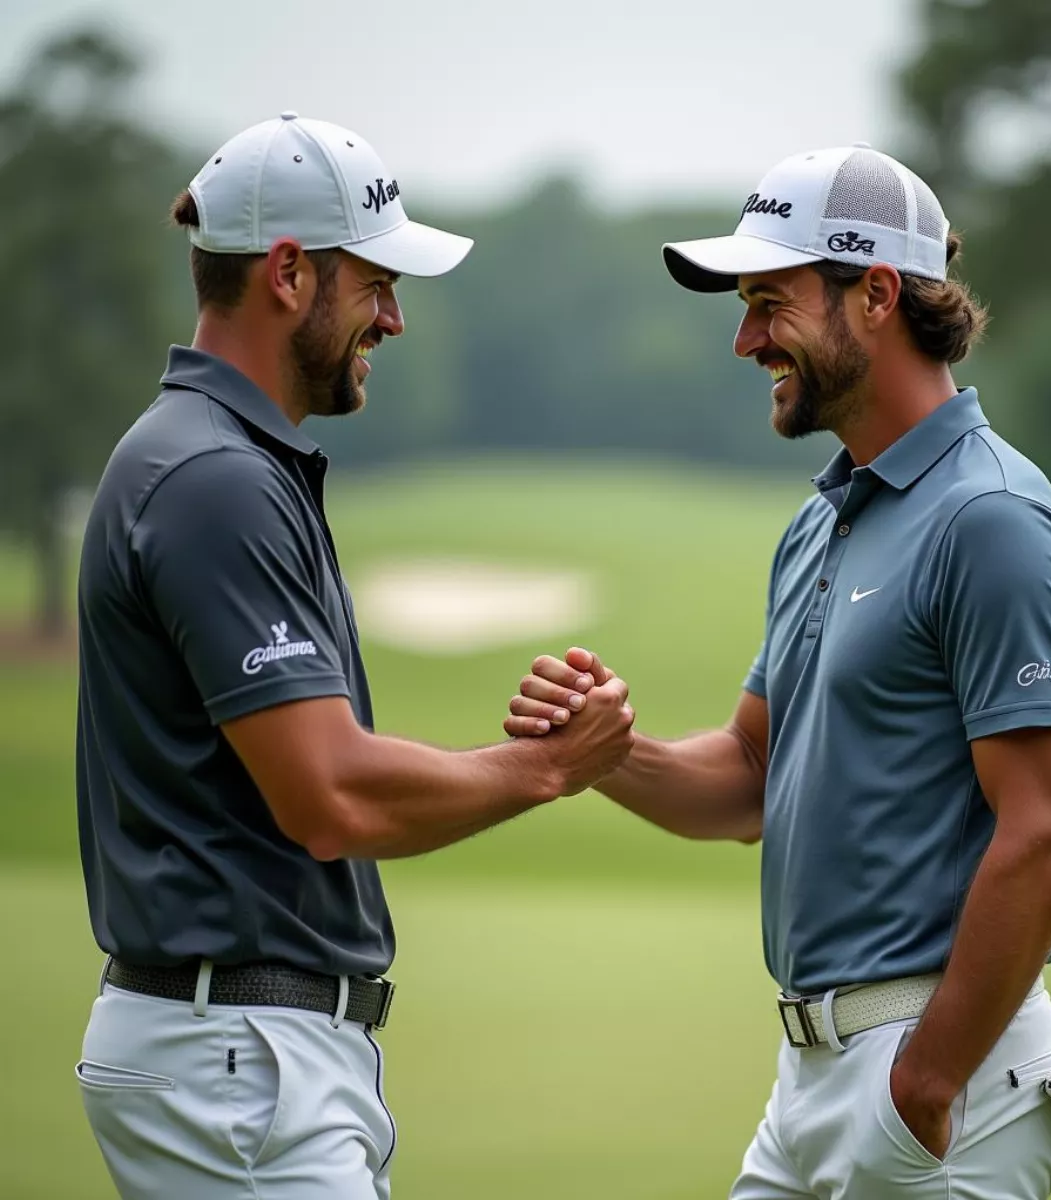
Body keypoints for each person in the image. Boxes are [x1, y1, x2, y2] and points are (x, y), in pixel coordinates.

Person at [506, 144, 1051, 1198]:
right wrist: (601, 754)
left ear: (877, 294)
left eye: (769, 303)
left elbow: (1049, 833)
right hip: (810, 1085)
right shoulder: (824, 521)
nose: (747, 339)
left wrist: (923, 1087)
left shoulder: (992, 520)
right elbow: (751, 778)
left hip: (941, 1087)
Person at [74, 111, 634, 1200]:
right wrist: (546, 769)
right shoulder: (215, 480)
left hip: (231, 1051)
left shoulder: (213, 458)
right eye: (375, 282)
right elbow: (329, 794)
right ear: (288, 273)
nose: (396, 317)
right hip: (235, 1060)